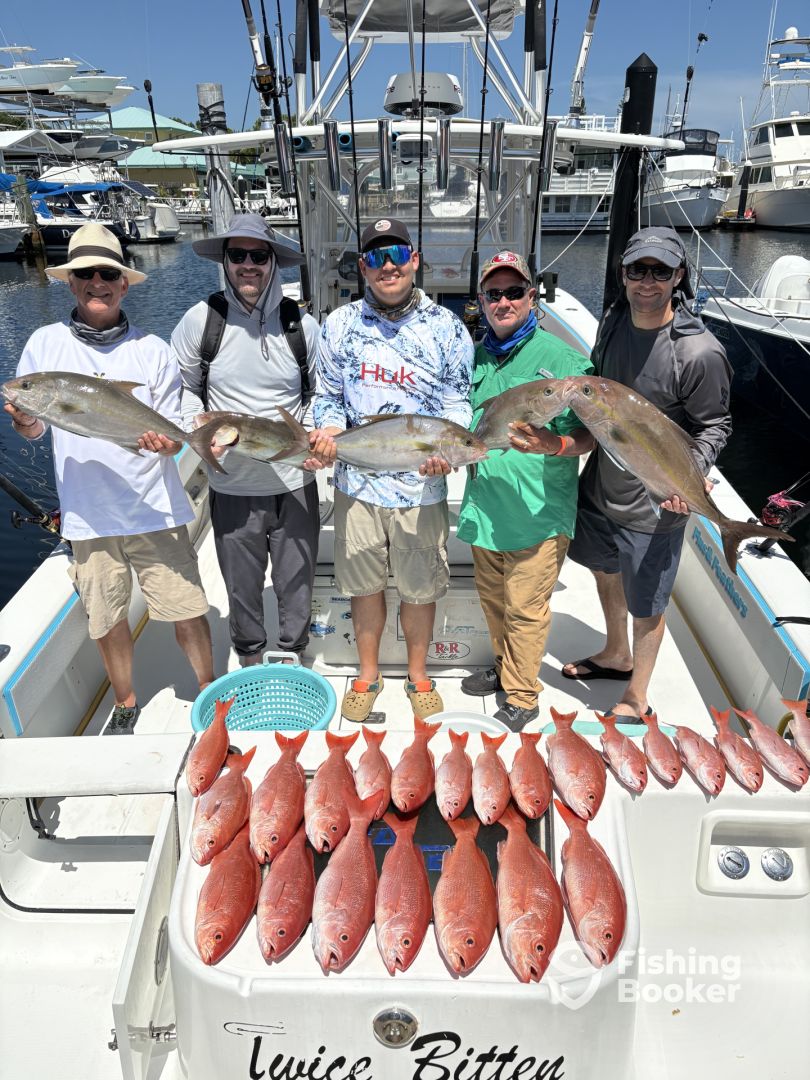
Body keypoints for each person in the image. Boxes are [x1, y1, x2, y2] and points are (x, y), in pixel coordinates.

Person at [4, 222, 214, 734]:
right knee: (107, 618)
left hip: (154, 507)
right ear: (70, 283)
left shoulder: (152, 349)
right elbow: (34, 428)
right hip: (88, 515)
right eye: (85, 274)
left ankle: (211, 693)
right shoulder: (44, 344)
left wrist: (172, 443)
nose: (96, 282)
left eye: (107, 273)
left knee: (187, 609)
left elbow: (172, 432)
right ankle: (125, 703)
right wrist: (25, 417)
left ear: (123, 283)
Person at [561, 226, 732, 722]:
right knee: (603, 567)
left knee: (648, 601)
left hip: (656, 501)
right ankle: (617, 653)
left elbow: (715, 425)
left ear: (679, 276)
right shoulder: (614, 321)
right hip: (603, 484)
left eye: (661, 271)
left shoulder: (697, 351)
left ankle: (636, 696)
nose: (648, 282)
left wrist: (692, 475)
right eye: (639, 270)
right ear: (624, 274)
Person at [309, 217, 474, 722]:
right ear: (362, 267)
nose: (388, 266)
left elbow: (458, 402)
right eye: (375, 257)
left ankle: (419, 675)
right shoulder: (339, 324)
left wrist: (448, 451)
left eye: (397, 255)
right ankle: (368, 674)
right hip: (357, 483)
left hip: (421, 489)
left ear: (415, 260)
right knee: (363, 586)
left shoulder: (447, 327)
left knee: (419, 588)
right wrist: (329, 431)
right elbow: (327, 395)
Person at [455, 251, 595, 732]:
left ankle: (521, 694)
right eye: (494, 294)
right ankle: (503, 668)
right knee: (495, 602)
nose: (504, 302)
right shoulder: (474, 357)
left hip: (539, 514)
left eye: (514, 292)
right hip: (486, 509)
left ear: (532, 297)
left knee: (525, 609)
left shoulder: (565, 363)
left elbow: (590, 437)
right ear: (482, 301)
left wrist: (553, 444)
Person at [172, 214, 320, 667]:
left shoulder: (302, 325)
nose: (248, 264)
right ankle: (250, 660)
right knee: (241, 586)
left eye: (259, 255)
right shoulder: (201, 321)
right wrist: (198, 431)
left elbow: (318, 394)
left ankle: (293, 657)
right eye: (238, 255)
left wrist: (312, 440)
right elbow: (184, 389)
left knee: (297, 582)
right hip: (232, 484)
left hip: (294, 481)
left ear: (273, 262)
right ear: (225, 261)